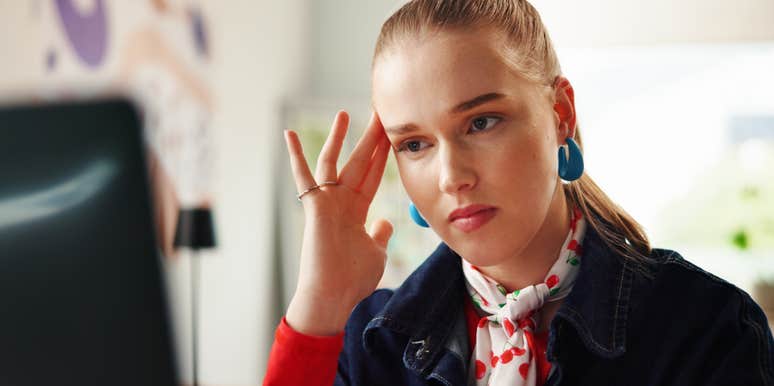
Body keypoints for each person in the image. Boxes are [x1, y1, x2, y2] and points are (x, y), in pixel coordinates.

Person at [263, 0, 774, 385]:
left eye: (481, 122)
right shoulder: (371, 343)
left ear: (561, 115)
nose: (450, 176)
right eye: (415, 143)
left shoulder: (707, 327)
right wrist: (320, 308)